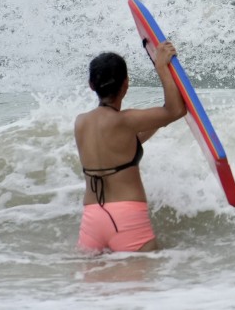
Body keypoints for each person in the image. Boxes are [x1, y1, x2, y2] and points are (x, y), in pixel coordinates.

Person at [74, 42, 186, 253]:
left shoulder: (81, 123)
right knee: (139, 285)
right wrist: (161, 67)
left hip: (92, 219)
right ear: (126, 84)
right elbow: (176, 110)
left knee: (93, 285)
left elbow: (122, 147)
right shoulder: (126, 121)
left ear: (91, 85)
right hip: (127, 218)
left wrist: (158, 122)